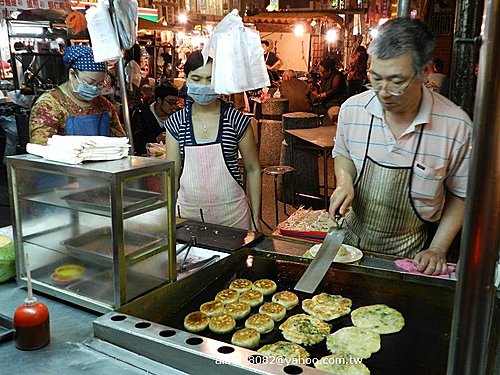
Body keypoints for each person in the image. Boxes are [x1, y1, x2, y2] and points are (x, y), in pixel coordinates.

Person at [329, 18, 473, 275]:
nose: (383, 92)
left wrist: (438, 248)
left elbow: (462, 194)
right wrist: (344, 180)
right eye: (375, 78)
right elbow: (343, 153)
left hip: (409, 254)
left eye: (397, 81)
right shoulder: (352, 109)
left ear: (425, 71)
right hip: (349, 246)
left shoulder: (456, 126)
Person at [165, 51, 261, 231]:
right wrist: (169, 216)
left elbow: (253, 168)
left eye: (210, 79)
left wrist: (256, 217)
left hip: (234, 217)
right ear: (186, 80)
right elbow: (173, 175)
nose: (203, 85)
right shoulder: (176, 123)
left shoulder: (236, 120)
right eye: (196, 78)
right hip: (188, 216)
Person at [29, 45, 125, 144]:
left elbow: (119, 141)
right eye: (89, 82)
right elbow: (41, 148)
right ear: (72, 74)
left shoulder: (104, 105)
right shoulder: (48, 106)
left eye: (100, 83)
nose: (94, 88)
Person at [131, 84, 179, 155]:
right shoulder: (141, 113)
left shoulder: (176, 117)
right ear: (159, 100)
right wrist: (156, 139)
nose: (174, 106)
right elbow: (135, 143)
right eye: (170, 102)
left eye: (175, 103)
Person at [313, 57, 348, 125]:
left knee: (333, 114)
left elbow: (334, 90)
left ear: (329, 71)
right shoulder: (324, 77)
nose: (321, 74)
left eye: (323, 72)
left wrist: (321, 95)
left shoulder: (337, 76)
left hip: (335, 104)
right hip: (325, 104)